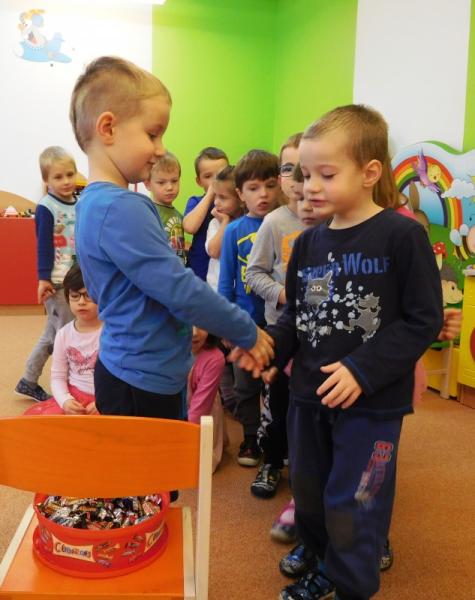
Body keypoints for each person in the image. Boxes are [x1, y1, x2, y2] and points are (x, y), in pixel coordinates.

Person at [256, 104, 443, 600]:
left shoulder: (402, 236)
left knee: (355, 500)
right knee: (310, 494)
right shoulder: (309, 244)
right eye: (304, 174)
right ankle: (322, 560)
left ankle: (350, 583)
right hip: (308, 397)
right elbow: (298, 314)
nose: (309, 187)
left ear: (369, 173)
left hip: (371, 404)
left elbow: (422, 320)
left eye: (326, 174)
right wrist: (268, 348)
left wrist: (362, 369)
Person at [70, 56, 273, 419]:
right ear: (108, 128)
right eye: (152, 134)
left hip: (132, 367)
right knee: (154, 458)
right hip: (142, 379)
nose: (161, 148)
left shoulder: (91, 202)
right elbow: (178, 288)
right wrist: (246, 331)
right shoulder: (122, 207)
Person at [246, 134, 306, 498]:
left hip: (319, 336)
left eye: (304, 168)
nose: (297, 178)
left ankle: (305, 464)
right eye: (288, 168)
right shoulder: (274, 222)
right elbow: (254, 274)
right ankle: (270, 460)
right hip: (280, 330)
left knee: (309, 403)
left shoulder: (332, 221)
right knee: (277, 400)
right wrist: (283, 294)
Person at [218, 149, 280, 465]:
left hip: (278, 322)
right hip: (245, 322)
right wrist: (226, 324)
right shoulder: (234, 231)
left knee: (276, 384)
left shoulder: (284, 224)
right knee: (245, 386)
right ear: (240, 194)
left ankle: (276, 440)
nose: (263, 194)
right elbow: (225, 281)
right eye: (253, 188)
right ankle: (250, 438)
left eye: (270, 185)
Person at [15, 146, 77, 402]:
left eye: (70, 174)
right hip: (57, 283)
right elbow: (43, 246)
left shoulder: (78, 204)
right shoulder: (47, 207)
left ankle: (28, 380)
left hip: (73, 279)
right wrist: (43, 279)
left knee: (52, 335)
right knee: (67, 334)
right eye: (58, 177)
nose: (66, 181)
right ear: (46, 180)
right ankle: (71, 386)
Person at [24, 264, 101, 416]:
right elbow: (58, 376)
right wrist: (65, 400)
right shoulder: (63, 334)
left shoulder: (113, 332)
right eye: (75, 296)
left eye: (88, 295)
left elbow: (124, 375)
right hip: (74, 397)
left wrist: (105, 401)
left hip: (106, 397)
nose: (81, 302)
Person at [183, 147, 229, 280]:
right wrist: (210, 194)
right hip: (199, 271)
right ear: (199, 181)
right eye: (208, 176)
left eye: (221, 174)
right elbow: (190, 227)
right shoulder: (196, 201)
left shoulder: (234, 203)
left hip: (222, 273)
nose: (215, 180)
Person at [187, 327, 228, 472]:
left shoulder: (214, 358)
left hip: (202, 411)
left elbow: (200, 408)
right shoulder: (167, 348)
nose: (194, 333)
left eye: (201, 325)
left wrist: (184, 437)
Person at [205, 165, 244, 290]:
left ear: (241, 199)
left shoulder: (247, 224)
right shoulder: (215, 223)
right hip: (215, 289)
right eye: (215, 196)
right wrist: (225, 222)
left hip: (241, 290)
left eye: (222, 197)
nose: (216, 202)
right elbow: (213, 252)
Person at [145, 151, 186, 263]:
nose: (169, 187)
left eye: (174, 181)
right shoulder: (149, 212)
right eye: (161, 182)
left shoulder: (178, 215)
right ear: (148, 184)